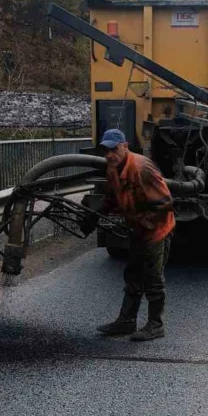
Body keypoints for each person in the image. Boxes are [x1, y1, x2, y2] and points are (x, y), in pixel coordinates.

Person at [81, 129, 175, 341]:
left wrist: (145, 222)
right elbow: (113, 198)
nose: (109, 155)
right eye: (106, 151)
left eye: (113, 149)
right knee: (133, 273)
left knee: (152, 277)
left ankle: (156, 325)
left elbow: (165, 202)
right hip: (138, 228)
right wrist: (95, 215)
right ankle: (126, 321)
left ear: (125, 146)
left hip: (156, 229)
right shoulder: (113, 168)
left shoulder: (142, 169)